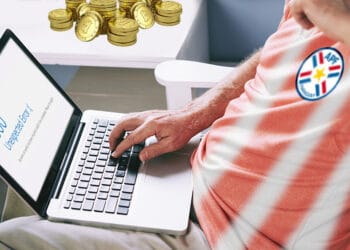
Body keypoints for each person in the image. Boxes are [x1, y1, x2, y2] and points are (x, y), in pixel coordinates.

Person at [0, 0, 349, 249]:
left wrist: (332, 15)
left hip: (228, 237)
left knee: (11, 237)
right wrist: (194, 113)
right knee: (41, 177)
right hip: (192, 165)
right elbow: (280, 50)